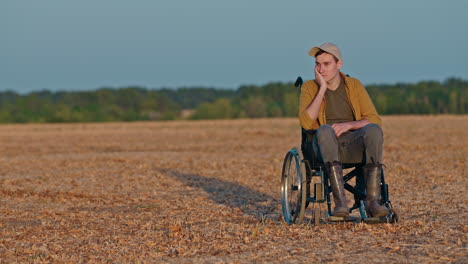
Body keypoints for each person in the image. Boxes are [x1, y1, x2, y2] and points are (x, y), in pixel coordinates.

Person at [299, 42, 388, 218]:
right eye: (317, 64)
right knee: (324, 130)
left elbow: (375, 118)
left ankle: (373, 202)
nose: (321, 69)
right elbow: (307, 124)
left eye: (326, 64)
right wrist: (322, 88)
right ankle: (341, 203)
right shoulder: (310, 87)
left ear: (339, 64)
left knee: (374, 130)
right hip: (323, 147)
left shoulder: (354, 85)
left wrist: (349, 125)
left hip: (352, 144)